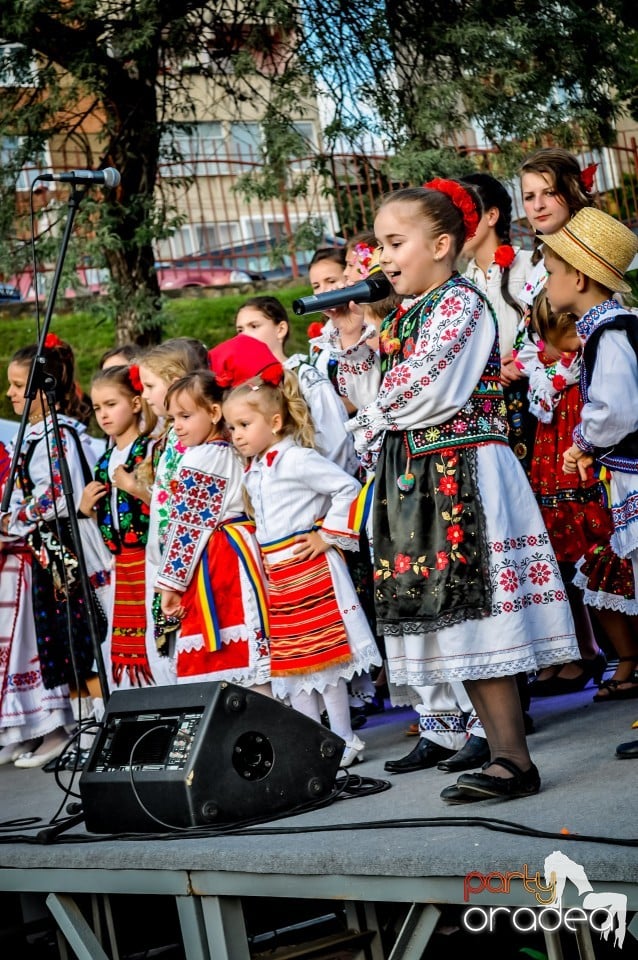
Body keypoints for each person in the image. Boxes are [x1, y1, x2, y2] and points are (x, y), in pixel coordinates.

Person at [335, 179, 579, 802]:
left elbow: (429, 385)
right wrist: (357, 334)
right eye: (379, 247)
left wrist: (372, 416)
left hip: (461, 475)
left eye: (395, 243)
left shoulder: (460, 303)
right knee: (450, 619)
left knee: (477, 619)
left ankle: (512, 758)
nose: (383, 259)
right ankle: (499, 754)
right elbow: (365, 393)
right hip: (419, 480)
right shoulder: (405, 314)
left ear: (442, 244)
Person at [222, 367, 382, 768]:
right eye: (231, 426)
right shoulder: (258, 467)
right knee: (295, 666)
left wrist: (327, 534)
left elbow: (348, 487)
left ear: (275, 422)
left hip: (310, 570)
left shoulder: (295, 459)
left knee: (326, 661)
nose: (236, 434)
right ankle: (313, 741)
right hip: (279, 577)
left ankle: (344, 740)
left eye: (244, 424)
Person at [538, 205, 638, 753]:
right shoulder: (606, 330)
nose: (548, 282)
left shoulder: (610, 333)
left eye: (552, 271)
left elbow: (617, 408)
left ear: (578, 277)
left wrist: (582, 442)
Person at [513, 147, 606, 693]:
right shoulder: (536, 259)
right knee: (563, 531)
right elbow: (534, 335)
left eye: (549, 192)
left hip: (591, 394)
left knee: (604, 522)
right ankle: (589, 649)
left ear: (573, 191)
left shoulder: (596, 245)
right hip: (550, 405)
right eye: (530, 195)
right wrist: (538, 368)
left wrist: (564, 364)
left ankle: (626, 653)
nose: (539, 204)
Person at [1, 336, 112, 768]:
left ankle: (97, 731)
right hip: (48, 553)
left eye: (18, 386)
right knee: (63, 641)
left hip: (67, 548)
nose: (11, 394)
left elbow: (60, 494)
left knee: (81, 636)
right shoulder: (35, 435)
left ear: (42, 390)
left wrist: (16, 517)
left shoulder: (58, 435)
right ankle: (84, 732)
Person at [154, 371, 270, 690]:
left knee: (234, 654)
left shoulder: (203, 457)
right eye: (173, 418)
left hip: (220, 559)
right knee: (252, 651)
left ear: (214, 412)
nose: (177, 426)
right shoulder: (231, 450)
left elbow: (188, 526)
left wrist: (171, 585)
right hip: (239, 546)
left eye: (186, 416)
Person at [79, 364, 156, 690]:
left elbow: (163, 506)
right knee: (121, 643)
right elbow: (109, 520)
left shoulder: (150, 449)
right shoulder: (103, 460)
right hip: (120, 566)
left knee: (154, 639)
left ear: (136, 403)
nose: (103, 415)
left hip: (149, 559)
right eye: (97, 408)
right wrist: (87, 511)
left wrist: (132, 485)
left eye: (111, 405)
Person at [136, 338, 206, 683]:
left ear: (176, 379)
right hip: (166, 559)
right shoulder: (170, 438)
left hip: (187, 562)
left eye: (150, 386)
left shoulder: (196, 442)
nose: (145, 396)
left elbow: (190, 510)